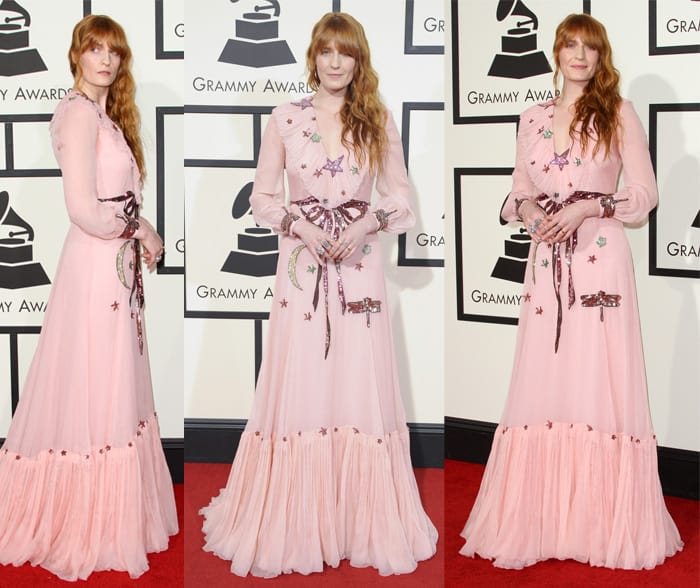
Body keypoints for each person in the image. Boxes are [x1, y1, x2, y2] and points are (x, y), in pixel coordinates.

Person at [200, 11, 437, 578]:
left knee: (355, 385)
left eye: (346, 53)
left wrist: (366, 224)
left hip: (359, 269)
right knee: (304, 384)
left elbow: (401, 204)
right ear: (314, 56)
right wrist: (299, 226)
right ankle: (296, 521)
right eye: (327, 52)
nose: (335, 63)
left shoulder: (376, 120)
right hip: (301, 270)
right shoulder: (284, 118)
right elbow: (261, 198)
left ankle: (357, 521)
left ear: (359, 60)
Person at [459, 13, 683, 570]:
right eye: (569, 46)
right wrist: (533, 208)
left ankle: (602, 524)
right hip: (544, 263)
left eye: (589, 47)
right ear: (556, 53)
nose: (578, 56)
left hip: (600, 258)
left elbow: (645, 194)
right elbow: (518, 188)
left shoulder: (618, 112)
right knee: (548, 378)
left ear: (600, 55)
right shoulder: (531, 117)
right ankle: (542, 520)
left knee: (597, 376)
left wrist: (589, 205)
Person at [0, 15, 178, 581]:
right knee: (94, 383)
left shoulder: (107, 116)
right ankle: (82, 521)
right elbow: (83, 207)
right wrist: (141, 230)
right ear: (76, 55)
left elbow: (117, 200)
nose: (105, 59)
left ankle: (110, 515)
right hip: (97, 265)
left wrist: (139, 225)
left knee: (113, 384)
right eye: (94, 49)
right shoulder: (77, 114)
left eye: (115, 52)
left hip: (116, 266)